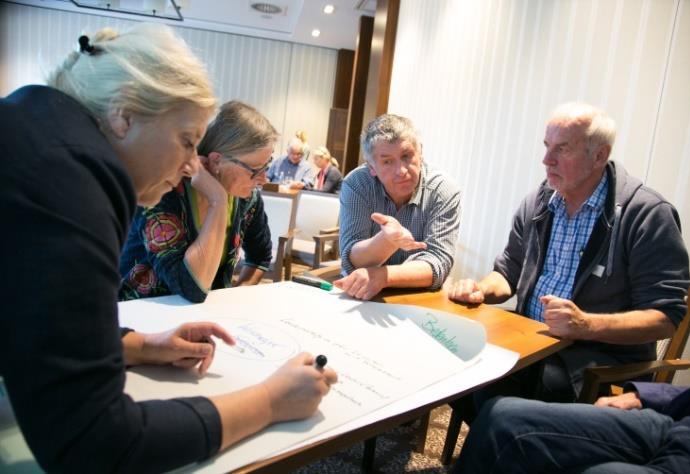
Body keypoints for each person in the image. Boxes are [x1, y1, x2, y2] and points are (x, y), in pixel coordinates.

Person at [0, 24, 336, 473]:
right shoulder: (73, 182)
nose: (188, 166)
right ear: (123, 114)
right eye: (186, 140)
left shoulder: (33, 129)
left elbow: (32, 325)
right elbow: (95, 444)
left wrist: (138, 346)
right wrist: (269, 400)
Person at [448, 102, 690, 406]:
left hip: (595, 357)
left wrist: (585, 325)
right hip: (531, 339)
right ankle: (501, 445)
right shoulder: (539, 201)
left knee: (499, 396)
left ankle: (504, 443)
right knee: (456, 364)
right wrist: (480, 289)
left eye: (562, 149)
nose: (546, 160)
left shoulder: (647, 215)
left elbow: (665, 318)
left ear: (599, 155)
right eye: (547, 146)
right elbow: (509, 270)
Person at [119, 101, 276, 303]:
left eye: (267, 166)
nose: (264, 179)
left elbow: (260, 256)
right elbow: (191, 287)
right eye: (255, 169)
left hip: (202, 317)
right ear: (217, 160)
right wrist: (217, 199)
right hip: (139, 316)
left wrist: (236, 296)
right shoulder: (165, 192)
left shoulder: (247, 198)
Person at [454, 377, 690, 473]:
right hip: (687, 420)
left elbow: (664, 318)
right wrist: (644, 395)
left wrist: (584, 323)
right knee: (502, 414)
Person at [335, 114, 461, 300]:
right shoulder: (357, 184)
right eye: (387, 161)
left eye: (406, 156)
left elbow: (439, 262)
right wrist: (386, 241)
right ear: (371, 167)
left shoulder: (443, 190)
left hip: (421, 296)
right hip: (363, 293)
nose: (401, 171)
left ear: (420, 153)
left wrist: (384, 276)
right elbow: (350, 259)